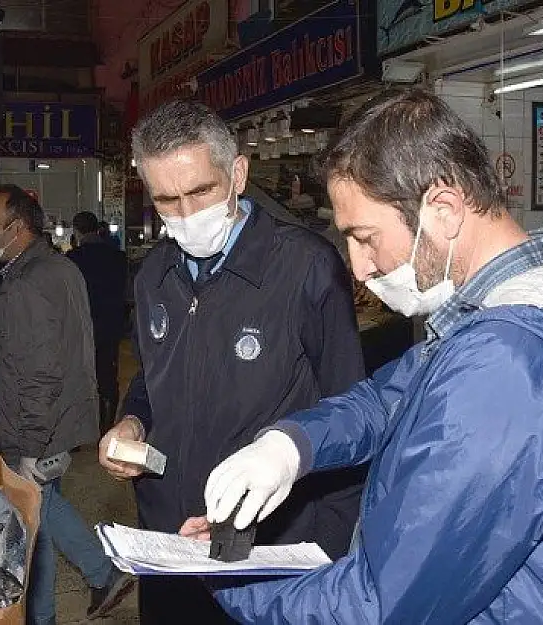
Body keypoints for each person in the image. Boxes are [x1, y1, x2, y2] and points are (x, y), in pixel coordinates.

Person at [198, 89, 543, 624]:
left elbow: (382, 607)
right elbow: (391, 396)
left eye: (365, 237)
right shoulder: (531, 301)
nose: (358, 267)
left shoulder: (505, 368)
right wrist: (289, 447)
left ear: (444, 209)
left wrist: (225, 575)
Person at [98, 99, 367, 625]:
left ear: (238, 173)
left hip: (266, 546)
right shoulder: (154, 275)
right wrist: (132, 422)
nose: (185, 214)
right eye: (166, 200)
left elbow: (349, 409)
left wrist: (332, 551)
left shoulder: (306, 268)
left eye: (200, 191)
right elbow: (152, 382)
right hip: (169, 543)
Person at [0, 184, 133, 625]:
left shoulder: (25, 286)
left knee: (36, 516)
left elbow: (37, 375)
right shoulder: (58, 268)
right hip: (62, 422)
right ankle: (96, 576)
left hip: (38, 428)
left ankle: (91, 579)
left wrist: (29, 444)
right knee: (41, 516)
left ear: (19, 227)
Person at [66, 211, 128, 429]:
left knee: (79, 377)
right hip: (110, 325)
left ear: (76, 230)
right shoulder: (117, 257)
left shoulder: (72, 260)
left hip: (81, 327)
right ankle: (106, 427)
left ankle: (80, 431)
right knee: (107, 375)